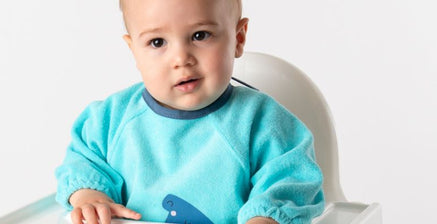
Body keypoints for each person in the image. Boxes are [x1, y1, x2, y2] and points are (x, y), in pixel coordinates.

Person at [55, 0, 325, 223]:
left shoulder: (262, 123)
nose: (181, 59)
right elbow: (84, 162)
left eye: (200, 35)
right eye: (158, 42)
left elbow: (290, 180)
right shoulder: (111, 120)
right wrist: (89, 196)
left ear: (238, 38)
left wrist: (267, 218)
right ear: (134, 51)